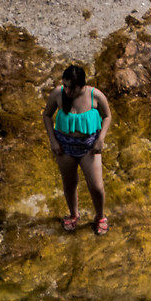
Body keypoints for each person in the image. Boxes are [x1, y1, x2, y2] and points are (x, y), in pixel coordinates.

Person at [44, 65, 113, 234]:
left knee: (96, 186)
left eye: (71, 87)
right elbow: (46, 115)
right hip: (64, 146)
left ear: (82, 85)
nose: (66, 90)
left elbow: (107, 116)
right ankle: (74, 215)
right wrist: (53, 141)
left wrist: (101, 139)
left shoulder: (95, 95)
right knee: (69, 184)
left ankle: (100, 217)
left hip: (89, 146)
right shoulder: (58, 94)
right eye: (65, 85)